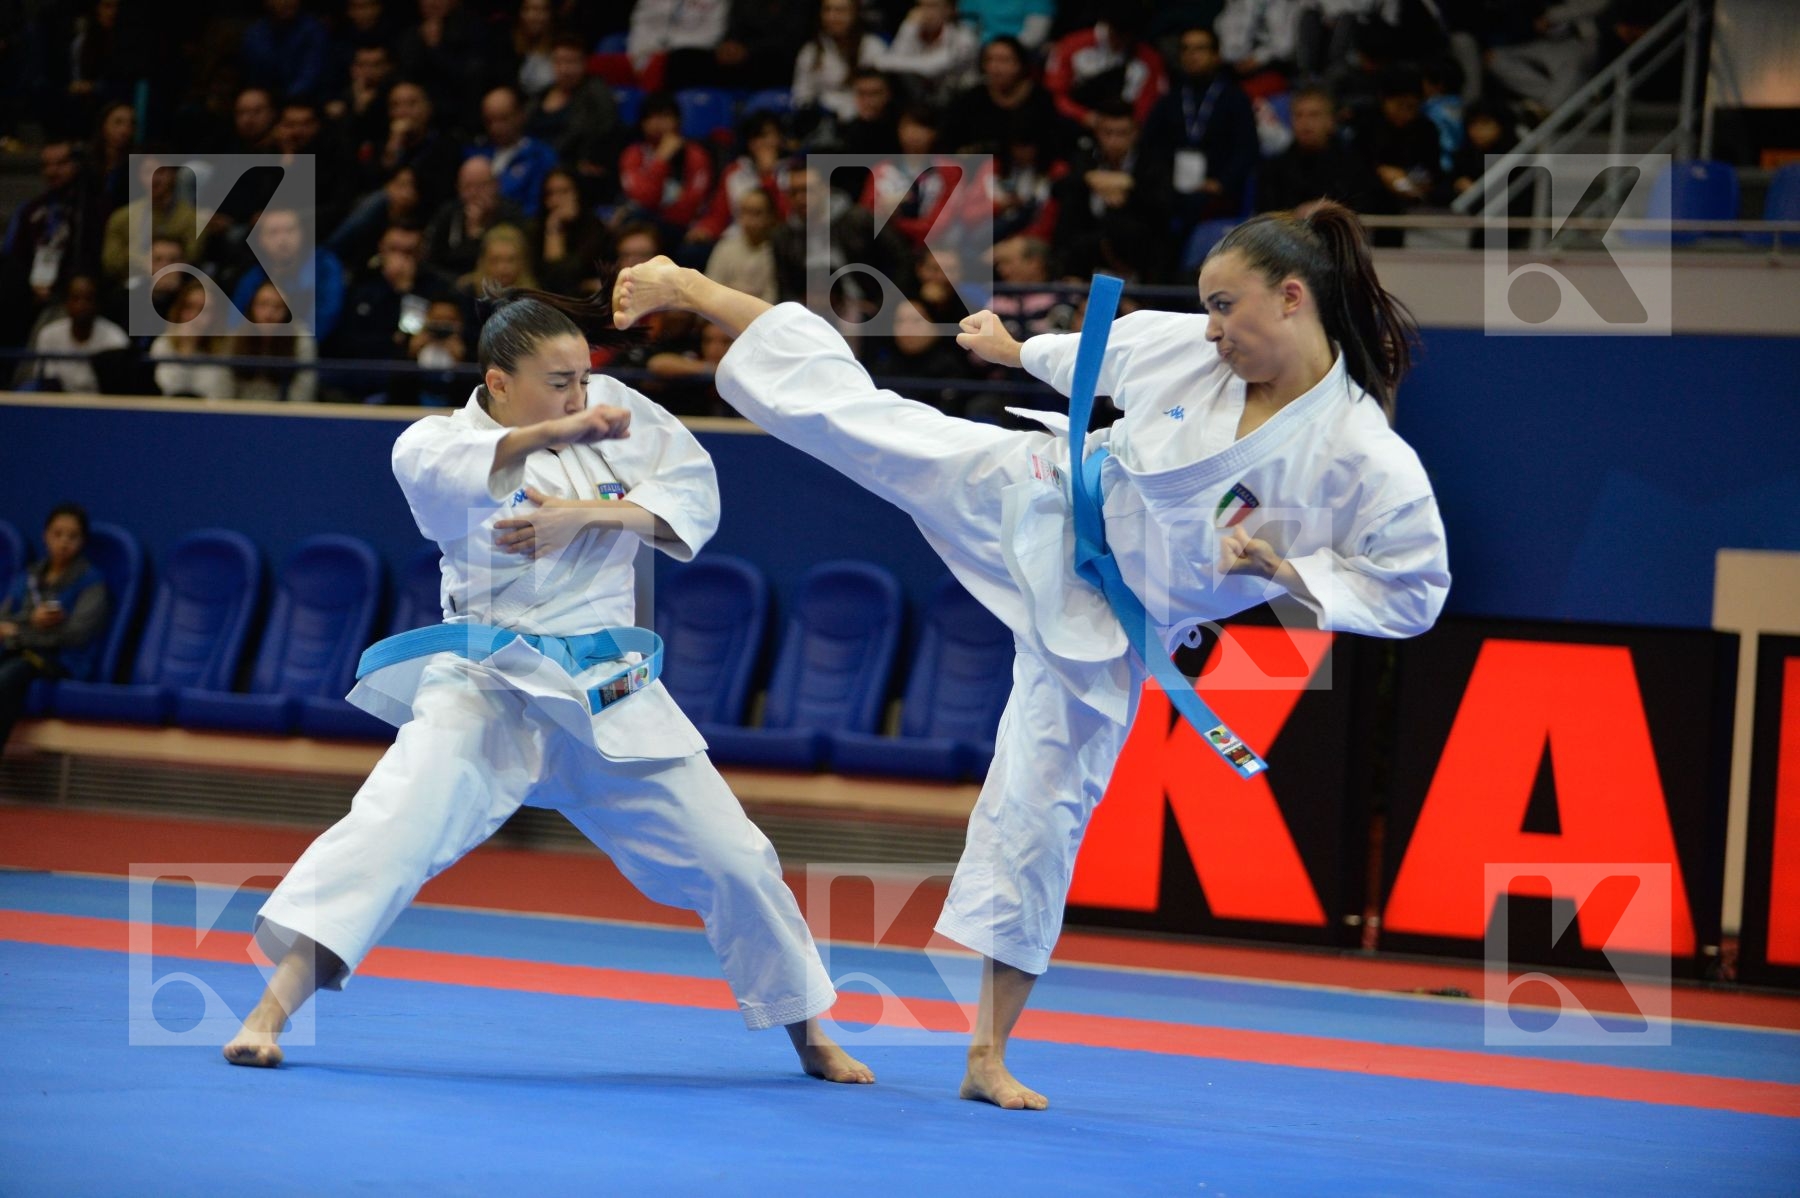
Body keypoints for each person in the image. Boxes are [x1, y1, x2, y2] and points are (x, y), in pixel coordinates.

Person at [608, 199, 1449, 1110]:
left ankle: (986, 1054)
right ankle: (691, 286)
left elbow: (1413, 590)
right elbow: (1110, 351)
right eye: (1205, 306)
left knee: (1045, 810)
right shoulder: (1197, 349)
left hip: (1111, 628)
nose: (1211, 331)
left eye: (1226, 307)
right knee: (860, 418)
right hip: (1042, 496)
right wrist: (1015, 352)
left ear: (1292, 299)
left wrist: (1296, 571)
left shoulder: (1364, 454)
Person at [221, 287, 872, 1091]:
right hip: (486, 685)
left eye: (583, 377)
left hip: (607, 686)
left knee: (735, 857)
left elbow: (691, 496)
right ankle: (267, 1018)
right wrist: (561, 433)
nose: (580, 394)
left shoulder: (612, 410)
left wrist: (589, 517)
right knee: (392, 829)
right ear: (498, 382)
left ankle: (812, 1036)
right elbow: (461, 472)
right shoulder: (434, 442)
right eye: (558, 382)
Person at [0, 504, 109, 753]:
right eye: (57, 534)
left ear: (83, 541)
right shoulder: (30, 576)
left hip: (61, 661)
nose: (64, 542)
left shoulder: (92, 581)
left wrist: (21, 631)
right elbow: (4, 620)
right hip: (19, 651)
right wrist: (31, 619)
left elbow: (77, 634)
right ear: (45, 535)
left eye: (73, 536)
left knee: (7, 677)